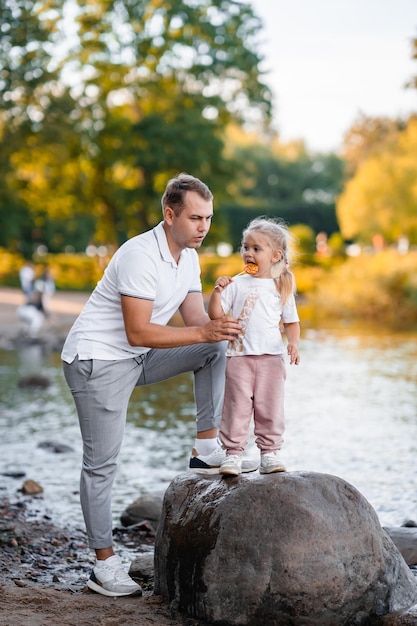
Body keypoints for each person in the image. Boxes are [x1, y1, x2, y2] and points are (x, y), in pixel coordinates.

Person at [61, 173, 257, 598]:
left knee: (215, 349)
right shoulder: (139, 255)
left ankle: (206, 449)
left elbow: (197, 327)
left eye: (207, 218)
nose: (203, 226)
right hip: (98, 360)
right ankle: (104, 565)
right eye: (194, 218)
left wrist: (232, 325)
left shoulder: (188, 257)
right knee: (102, 464)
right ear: (169, 215)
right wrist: (207, 335)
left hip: (136, 358)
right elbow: (138, 331)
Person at [207, 216, 301, 477]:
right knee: (236, 406)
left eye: (256, 249)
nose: (248, 253)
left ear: (275, 256)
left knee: (270, 406)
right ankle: (233, 454)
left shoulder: (281, 285)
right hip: (239, 357)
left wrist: (293, 344)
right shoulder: (236, 283)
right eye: (245, 247)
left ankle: (269, 454)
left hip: (272, 357)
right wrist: (217, 291)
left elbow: (291, 321)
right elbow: (216, 315)